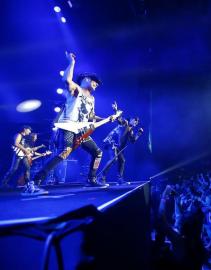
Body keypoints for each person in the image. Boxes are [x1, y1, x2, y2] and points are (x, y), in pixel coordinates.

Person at [32, 52, 118, 191]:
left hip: (82, 130)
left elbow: (91, 116)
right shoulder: (76, 90)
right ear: (85, 79)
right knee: (64, 153)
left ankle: (91, 179)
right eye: (94, 80)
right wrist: (71, 62)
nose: (96, 83)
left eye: (97, 82)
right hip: (69, 126)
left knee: (98, 153)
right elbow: (66, 80)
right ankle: (35, 182)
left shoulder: (92, 99)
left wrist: (108, 119)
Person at [1, 126, 48, 195]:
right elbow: (16, 143)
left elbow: (27, 147)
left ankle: (28, 185)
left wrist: (28, 150)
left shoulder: (24, 138)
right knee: (14, 169)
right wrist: (25, 150)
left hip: (23, 155)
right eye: (29, 130)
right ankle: (3, 183)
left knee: (27, 168)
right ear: (25, 129)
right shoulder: (19, 135)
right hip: (18, 154)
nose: (30, 132)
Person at [100, 117, 143, 184]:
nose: (136, 122)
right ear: (130, 119)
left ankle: (120, 179)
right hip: (111, 142)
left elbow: (133, 140)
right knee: (114, 159)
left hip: (117, 146)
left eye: (137, 122)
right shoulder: (125, 122)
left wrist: (139, 133)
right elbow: (119, 119)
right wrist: (116, 110)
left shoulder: (130, 130)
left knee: (122, 160)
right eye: (135, 120)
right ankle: (101, 177)